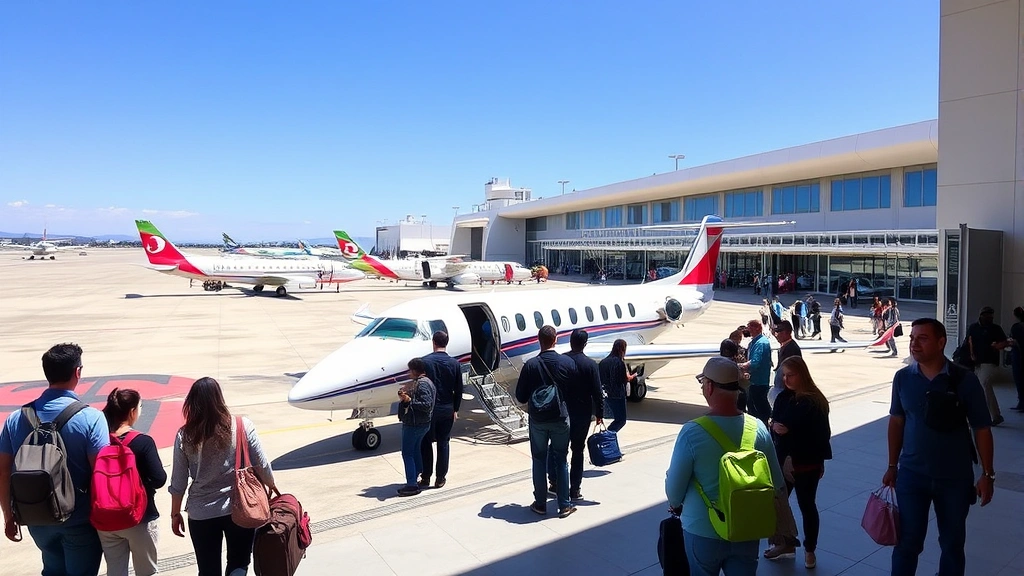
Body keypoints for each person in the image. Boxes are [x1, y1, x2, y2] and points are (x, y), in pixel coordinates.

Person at [885, 318, 995, 576]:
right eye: (912, 338)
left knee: (953, 544)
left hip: (954, 478)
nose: (914, 344)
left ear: (941, 342)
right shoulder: (902, 378)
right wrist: (892, 465)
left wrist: (987, 474)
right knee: (907, 544)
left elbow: (982, 428)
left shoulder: (965, 380)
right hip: (912, 476)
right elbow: (897, 422)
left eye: (922, 338)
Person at [665, 357, 785, 576]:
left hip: (702, 529)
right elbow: (777, 483)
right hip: (748, 528)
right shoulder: (757, 427)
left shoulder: (692, 432)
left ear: (709, 386)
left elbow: (674, 493)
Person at [0, 343, 109, 576]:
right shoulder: (91, 418)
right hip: (79, 519)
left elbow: (3, 471)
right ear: (77, 373)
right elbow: (100, 472)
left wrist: (9, 516)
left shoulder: (15, 419)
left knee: (52, 569)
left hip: (36, 516)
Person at [168, 377, 278, 576]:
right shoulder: (242, 426)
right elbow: (262, 465)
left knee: (208, 569)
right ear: (219, 398)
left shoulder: (184, 436)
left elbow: (178, 481)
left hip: (201, 513)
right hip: (240, 507)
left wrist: (175, 513)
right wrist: (271, 486)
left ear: (192, 403)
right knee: (239, 562)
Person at [765, 357, 832, 569]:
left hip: (806, 464)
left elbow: (822, 435)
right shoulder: (784, 397)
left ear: (802, 374)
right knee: (778, 505)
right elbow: (775, 422)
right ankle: (785, 544)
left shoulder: (814, 401)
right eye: (783, 375)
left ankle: (810, 549)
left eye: (790, 375)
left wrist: (790, 430)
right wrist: (775, 425)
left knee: (806, 505)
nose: (786, 379)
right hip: (783, 462)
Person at [98, 388, 167, 576]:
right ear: (132, 412)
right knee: (147, 572)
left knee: (116, 571)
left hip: (107, 519)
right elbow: (159, 479)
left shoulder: (100, 441)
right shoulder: (143, 442)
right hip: (139, 517)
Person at [515, 325, 577, 518]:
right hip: (560, 418)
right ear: (555, 339)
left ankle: (540, 504)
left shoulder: (531, 365)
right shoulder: (566, 362)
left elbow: (520, 396)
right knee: (561, 460)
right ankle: (564, 505)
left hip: (538, 420)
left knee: (539, 460)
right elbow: (574, 392)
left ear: (538, 340)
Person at [548, 329, 604, 501]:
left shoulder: (560, 361)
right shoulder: (591, 365)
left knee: (557, 449)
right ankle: (575, 489)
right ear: (585, 344)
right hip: (581, 415)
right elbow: (597, 393)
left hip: (561, 412)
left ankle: (555, 483)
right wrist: (599, 413)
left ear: (570, 341)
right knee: (577, 451)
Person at [419, 331, 463, 489]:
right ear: (446, 343)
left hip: (429, 409)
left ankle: (425, 476)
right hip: (447, 408)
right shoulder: (455, 364)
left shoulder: (425, 362)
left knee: (426, 442)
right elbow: (459, 389)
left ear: (433, 342)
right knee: (443, 443)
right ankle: (440, 478)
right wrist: (455, 409)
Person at [966, 306, 1010, 426]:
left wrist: (998, 346)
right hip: (976, 362)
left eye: (991, 315)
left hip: (990, 362)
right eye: (986, 314)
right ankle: (994, 415)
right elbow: (969, 341)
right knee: (980, 387)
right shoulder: (973, 327)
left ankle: (992, 415)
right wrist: (971, 355)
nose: (989, 317)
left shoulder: (995, 328)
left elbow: (1005, 342)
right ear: (981, 315)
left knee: (984, 384)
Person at [398, 358, 436, 496]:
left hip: (415, 425)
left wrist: (409, 401)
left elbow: (426, 404)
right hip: (422, 424)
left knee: (407, 453)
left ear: (414, 371)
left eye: (410, 370)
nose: (409, 373)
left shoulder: (423, 384)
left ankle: (412, 484)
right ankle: (416, 474)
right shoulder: (424, 382)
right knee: (415, 451)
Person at [739, 319, 772, 425]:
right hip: (755, 381)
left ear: (758, 328)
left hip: (758, 382)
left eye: (750, 327)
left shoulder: (761, 343)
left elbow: (755, 362)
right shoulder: (755, 341)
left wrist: (740, 366)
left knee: (757, 410)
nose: (748, 329)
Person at [599, 339, 634, 433]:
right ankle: (608, 434)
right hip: (618, 395)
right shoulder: (619, 363)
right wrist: (632, 377)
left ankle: (608, 433)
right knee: (621, 420)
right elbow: (624, 379)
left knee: (614, 418)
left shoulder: (603, 362)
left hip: (607, 394)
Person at [769, 320, 801, 407]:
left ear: (786, 333)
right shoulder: (785, 345)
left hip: (786, 389)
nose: (776, 335)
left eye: (778, 332)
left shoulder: (791, 349)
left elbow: (792, 371)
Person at [719, 338, 749, 412]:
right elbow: (745, 383)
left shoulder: (717, 363)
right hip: (737, 395)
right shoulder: (735, 363)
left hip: (723, 396)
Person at [1011, 306, 1024, 411]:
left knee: (1019, 379)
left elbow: (1014, 342)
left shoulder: (1016, 327)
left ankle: (1022, 402)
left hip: (1018, 356)